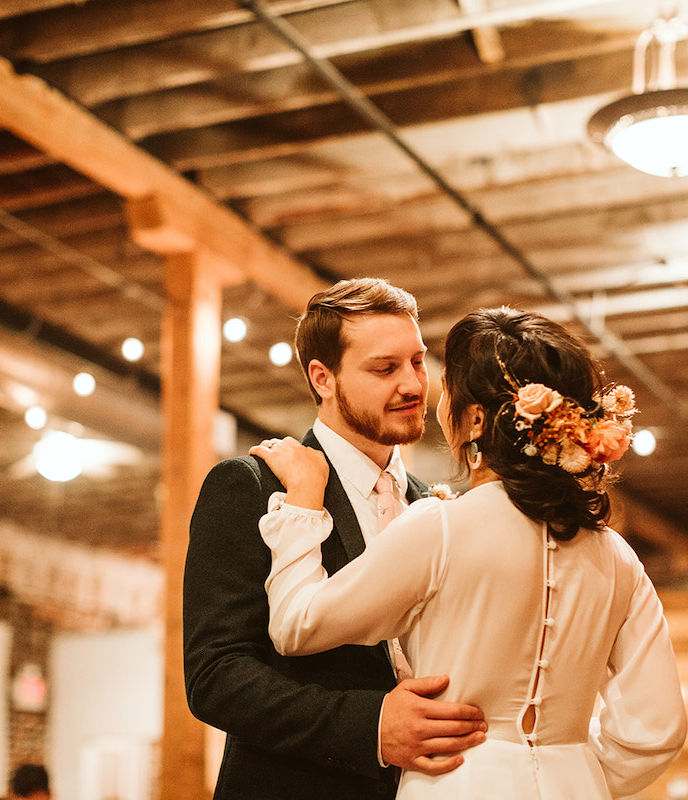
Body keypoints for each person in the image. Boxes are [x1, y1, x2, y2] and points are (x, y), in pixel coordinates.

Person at [253, 306, 687, 799]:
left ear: (475, 419)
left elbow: (296, 625)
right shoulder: (616, 557)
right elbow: (657, 730)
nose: (430, 396)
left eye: (447, 386)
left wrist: (303, 506)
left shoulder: (440, 527)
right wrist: (567, 765)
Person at [184, 278, 487, 800]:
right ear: (323, 378)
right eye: (384, 368)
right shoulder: (251, 486)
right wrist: (370, 725)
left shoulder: (432, 508)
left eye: (417, 361)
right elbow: (216, 675)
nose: (414, 385)